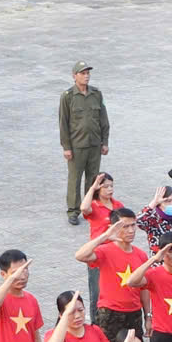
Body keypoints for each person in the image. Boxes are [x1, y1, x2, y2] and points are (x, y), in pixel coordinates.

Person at [58, 62, 110, 226]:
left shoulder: (96, 94)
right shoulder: (67, 96)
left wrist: (105, 142)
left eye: (88, 73)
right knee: (75, 179)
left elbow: (103, 120)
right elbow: (63, 123)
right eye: (82, 73)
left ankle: (90, 207)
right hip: (77, 145)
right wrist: (66, 147)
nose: (86, 76)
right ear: (74, 76)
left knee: (93, 178)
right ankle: (73, 210)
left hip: (94, 144)